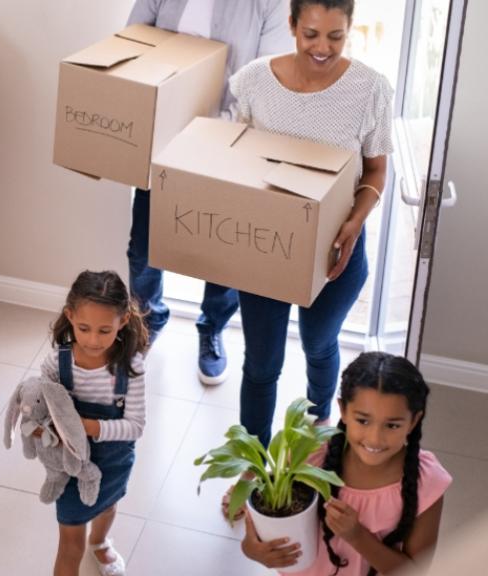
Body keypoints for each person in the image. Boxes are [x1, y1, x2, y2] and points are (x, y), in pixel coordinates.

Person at [229, 0, 393, 447]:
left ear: (350, 30)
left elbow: (376, 170)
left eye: (335, 37)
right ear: (291, 26)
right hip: (266, 247)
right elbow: (237, 157)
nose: (322, 48)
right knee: (261, 363)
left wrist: (355, 222)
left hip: (338, 250)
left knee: (319, 342)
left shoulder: (370, 88)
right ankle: (251, 466)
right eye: (311, 34)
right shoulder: (255, 80)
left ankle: (319, 429)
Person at [126, 0, 292, 385]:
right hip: (162, 137)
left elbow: (270, 81)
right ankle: (146, 322)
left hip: (228, 141)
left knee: (222, 252)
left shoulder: (268, 5)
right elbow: (132, 44)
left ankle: (211, 329)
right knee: (144, 248)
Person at [242, 352, 452, 575]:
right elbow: (259, 531)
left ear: (414, 421)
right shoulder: (309, 456)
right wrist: (252, 549)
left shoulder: (427, 483)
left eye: (392, 426)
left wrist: (357, 537)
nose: (374, 438)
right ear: (343, 410)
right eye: (362, 420)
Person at [37, 270, 149, 576]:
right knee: (70, 546)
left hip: (114, 462)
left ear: (123, 322)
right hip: (70, 466)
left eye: (104, 330)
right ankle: (87, 544)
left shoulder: (131, 367)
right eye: (84, 328)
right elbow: (40, 409)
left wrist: (89, 427)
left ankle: (99, 543)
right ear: (70, 316)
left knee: (108, 505)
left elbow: (136, 426)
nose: (92, 340)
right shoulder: (55, 364)